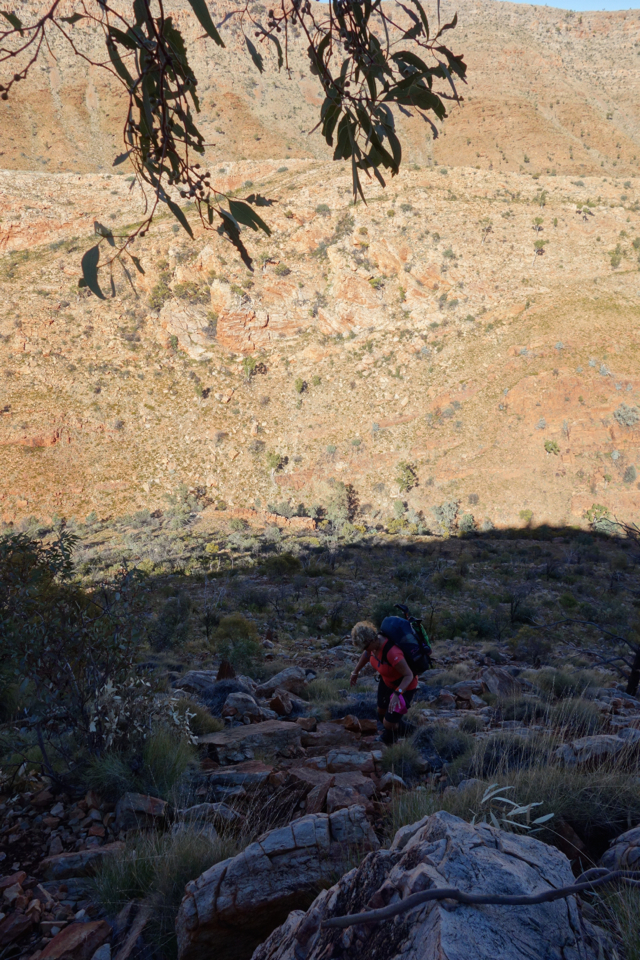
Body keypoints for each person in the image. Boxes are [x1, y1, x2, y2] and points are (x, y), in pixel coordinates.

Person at [350, 620, 418, 744]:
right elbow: (366, 654)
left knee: (388, 723)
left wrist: (397, 694)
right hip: (387, 682)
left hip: (405, 686)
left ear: (372, 639)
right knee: (381, 713)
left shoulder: (392, 652)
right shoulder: (372, 647)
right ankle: (394, 732)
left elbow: (409, 675)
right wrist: (355, 672)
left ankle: (411, 732)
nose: (365, 650)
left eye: (365, 646)